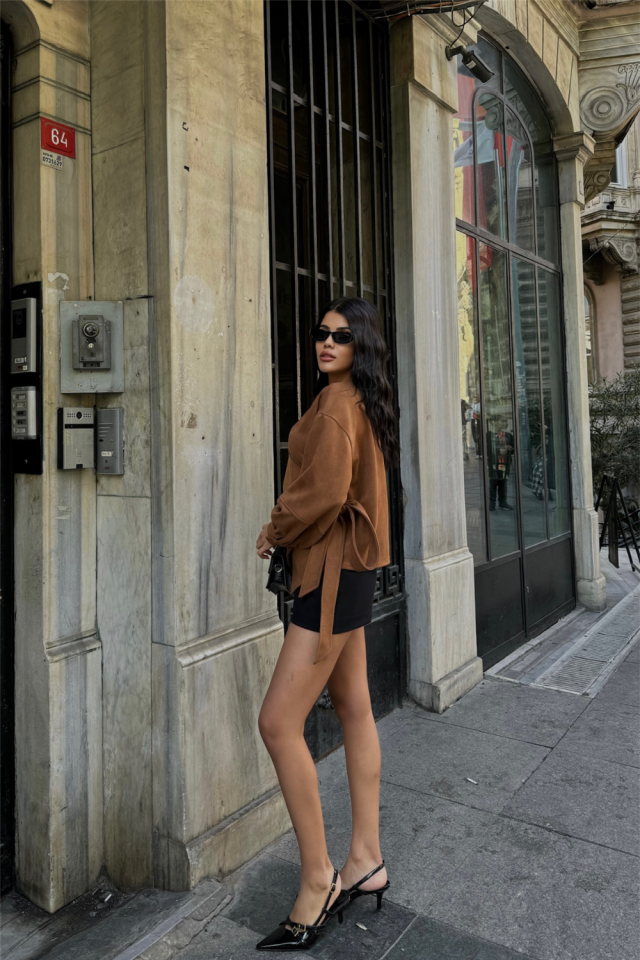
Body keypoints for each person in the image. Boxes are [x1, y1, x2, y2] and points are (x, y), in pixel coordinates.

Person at [255, 297, 397, 951]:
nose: (327, 342)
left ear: (360, 345)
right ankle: (365, 858)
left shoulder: (339, 404)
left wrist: (275, 527)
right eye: (322, 333)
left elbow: (325, 492)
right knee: (355, 709)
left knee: (278, 723)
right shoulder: (353, 400)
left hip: (333, 575)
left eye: (342, 335)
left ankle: (320, 878)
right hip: (351, 571)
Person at [486, 416, 514, 511]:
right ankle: (492, 502)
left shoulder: (508, 435)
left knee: (503, 482)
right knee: (493, 482)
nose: (505, 423)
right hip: (493, 463)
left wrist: (509, 449)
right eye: (503, 421)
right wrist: (502, 448)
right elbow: (485, 449)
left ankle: (503, 502)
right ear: (495, 422)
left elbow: (514, 448)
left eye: (506, 421)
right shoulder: (488, 435)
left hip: (504, 462)